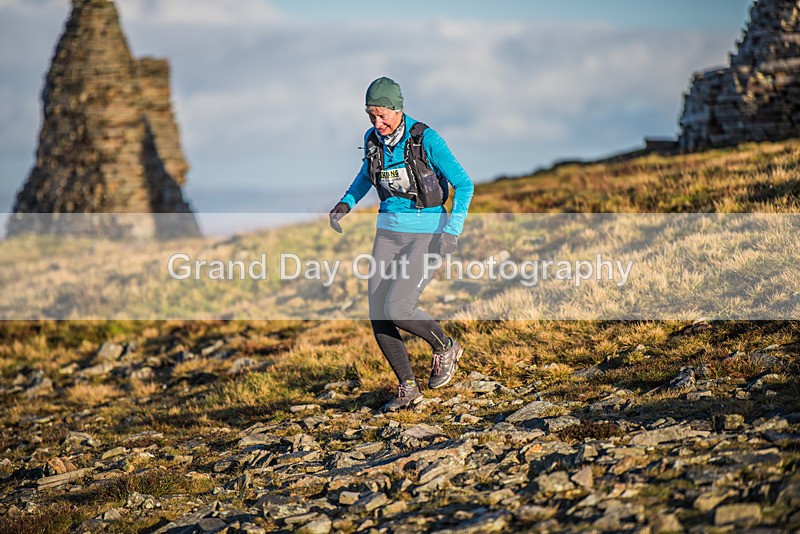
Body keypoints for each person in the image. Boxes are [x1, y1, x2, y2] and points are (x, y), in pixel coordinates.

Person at [328, 77, 474, 412]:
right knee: (377, 312)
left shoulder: (427, 139)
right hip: (388, 233)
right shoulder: (372, 140)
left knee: (397, 307)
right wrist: (346, 203)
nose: (377, 124)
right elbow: (367, 175)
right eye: (371, 117)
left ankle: (445, 346)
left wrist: (453, 230)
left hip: (427, 232)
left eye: (383, 116)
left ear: (398, 109)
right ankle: (407, 388)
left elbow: (464, 184)